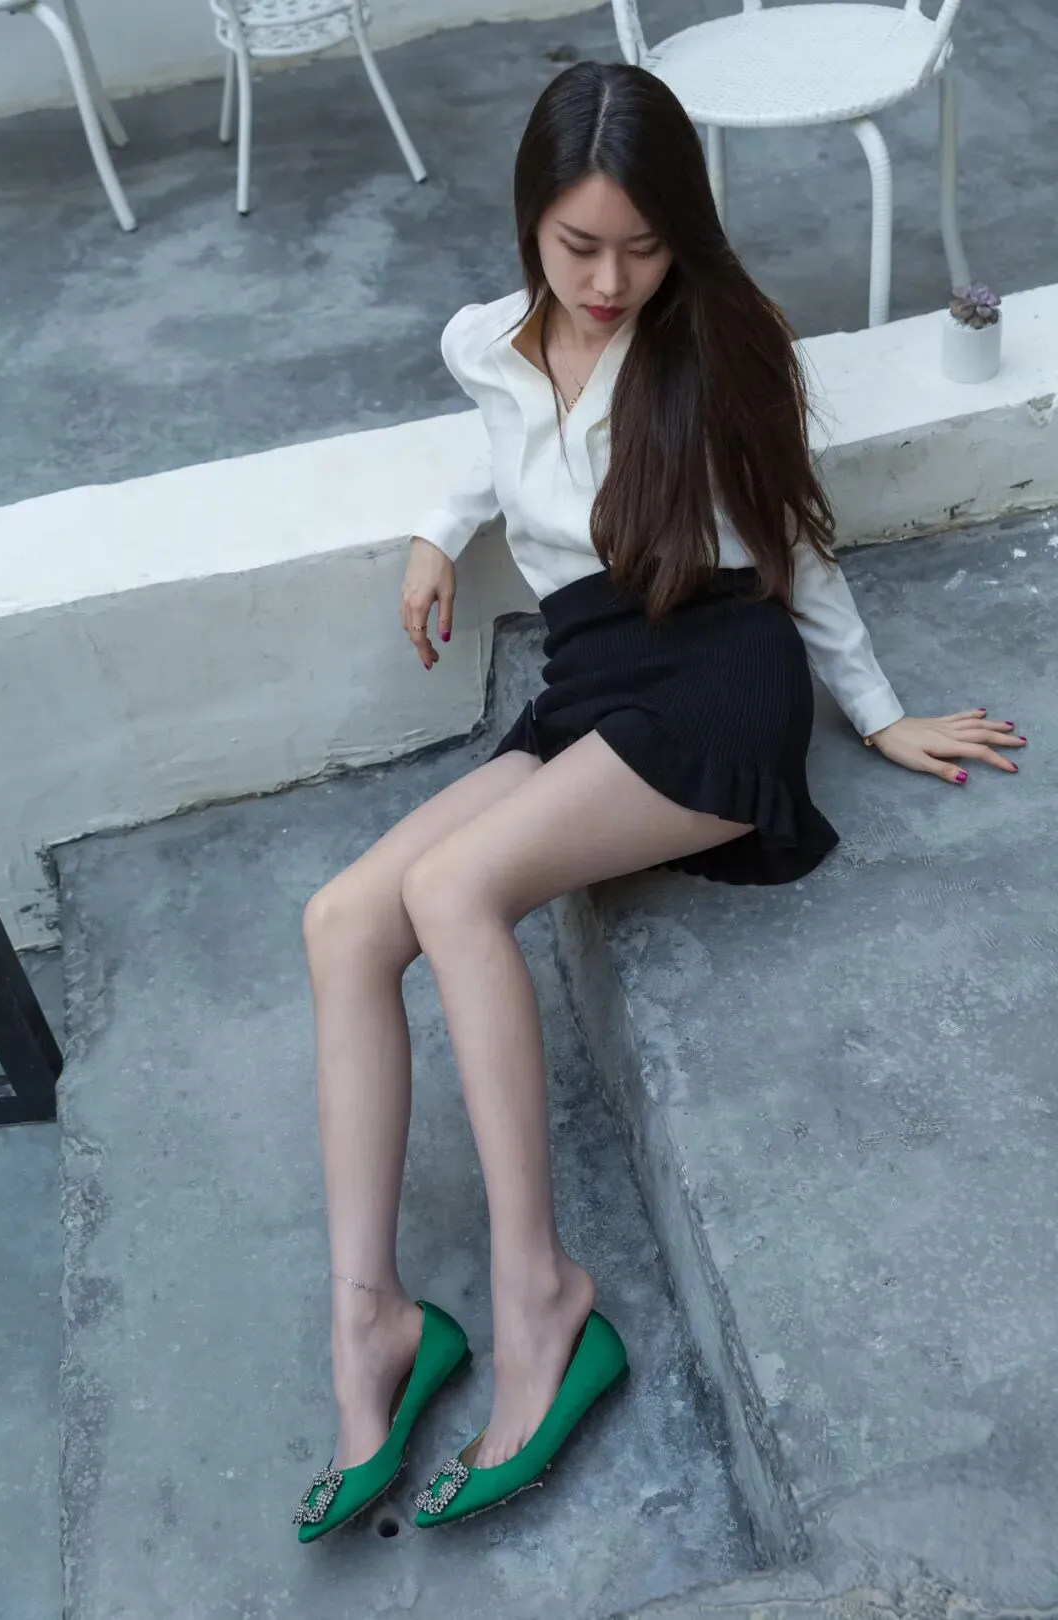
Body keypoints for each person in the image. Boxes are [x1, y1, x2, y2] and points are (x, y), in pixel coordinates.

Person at [292, 60, 1024, 1539]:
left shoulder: (719, 352)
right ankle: (372, 1321)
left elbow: (797, 546)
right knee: (342, 920)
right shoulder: (487, 342)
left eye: (643, 245)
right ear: (531, 225)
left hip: (715, 679)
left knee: (454, 889)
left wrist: (876, 714)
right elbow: (507, 438)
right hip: (591, 679)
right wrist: (438, 529)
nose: (612, 280)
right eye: (580, 246)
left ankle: (541, 1299)